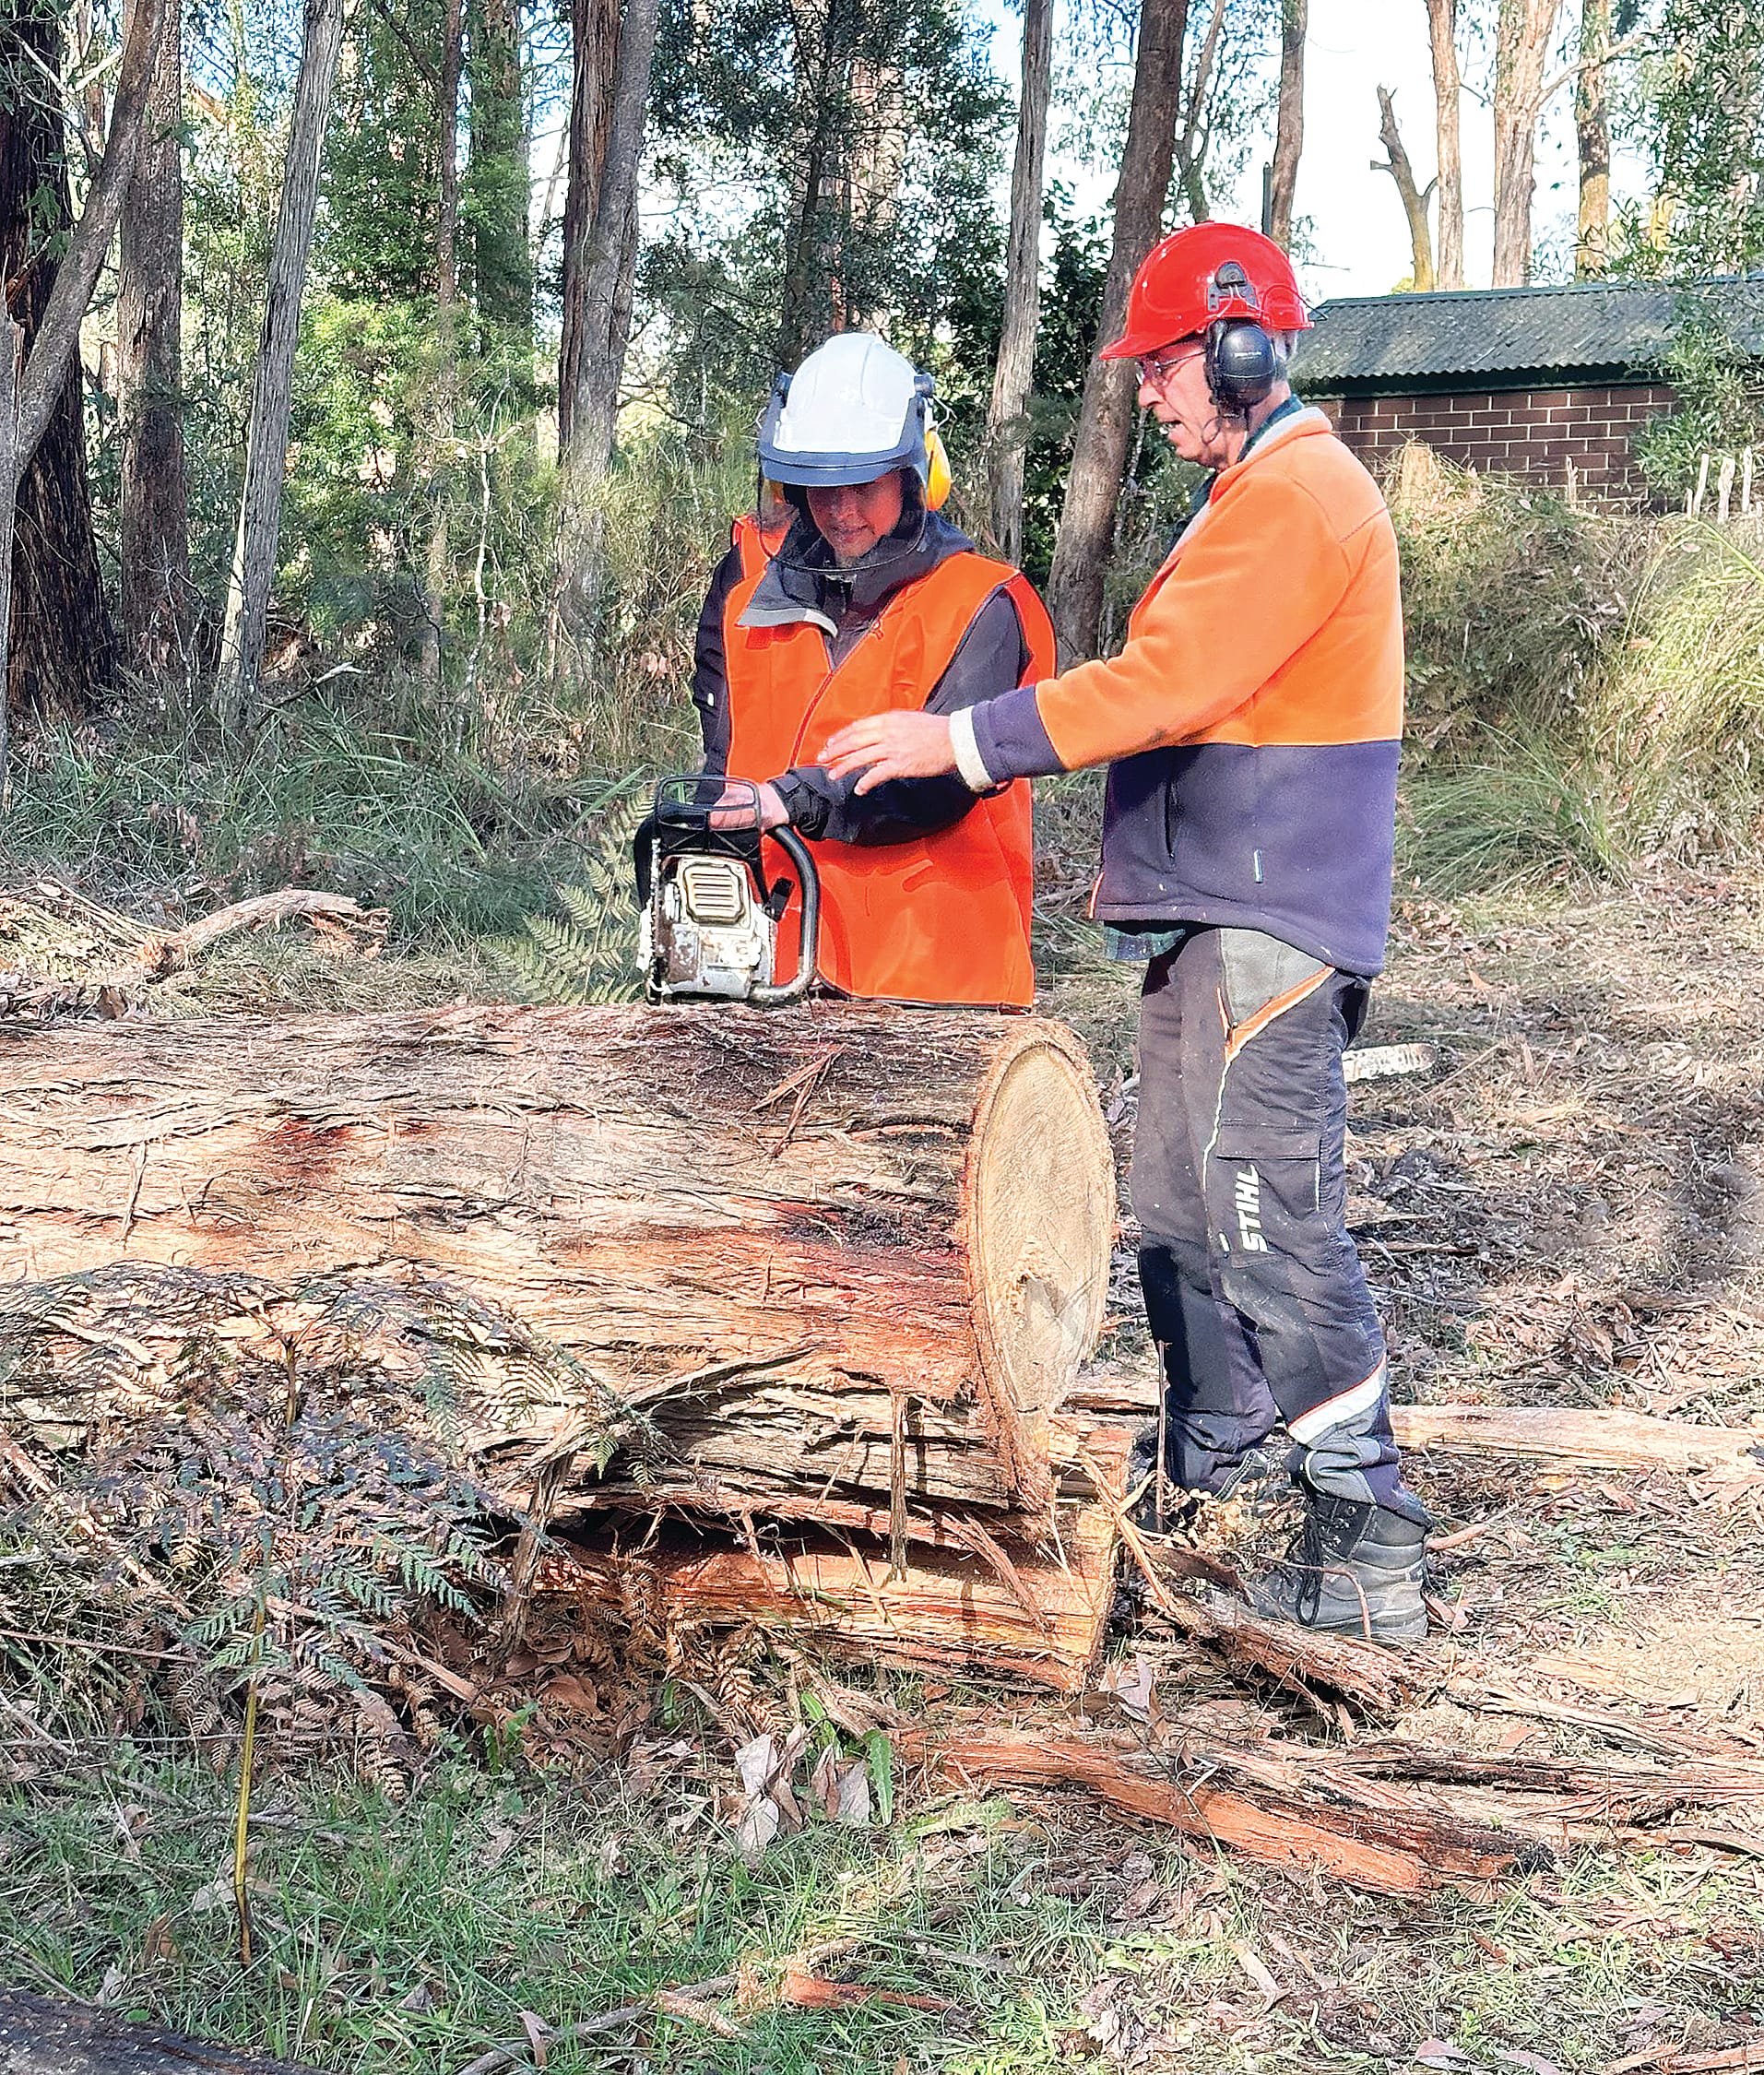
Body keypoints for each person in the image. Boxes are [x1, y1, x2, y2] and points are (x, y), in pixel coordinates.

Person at [819, 224, 1430, 1640]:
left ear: (1239, 348)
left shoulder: (1299, 497)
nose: (1147, 394)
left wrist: (958, 739)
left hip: (1268, 914)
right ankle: (1210, 1469)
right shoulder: (1246, 493)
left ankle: (1368, 1534)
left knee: (1264, 1215)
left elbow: (1160, 688)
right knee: (1173, 1210)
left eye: (1162, 366)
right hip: (1209, 914)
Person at [693, 332, 1055, 1009]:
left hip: (932, 974)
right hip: (779, 952)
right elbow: (725, 756)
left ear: (912, 473)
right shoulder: (747, 590)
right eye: (820, 488)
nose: (841, 511)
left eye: (863, 485)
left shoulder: (979, 602)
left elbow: (939, 783)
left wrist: (789, 800)